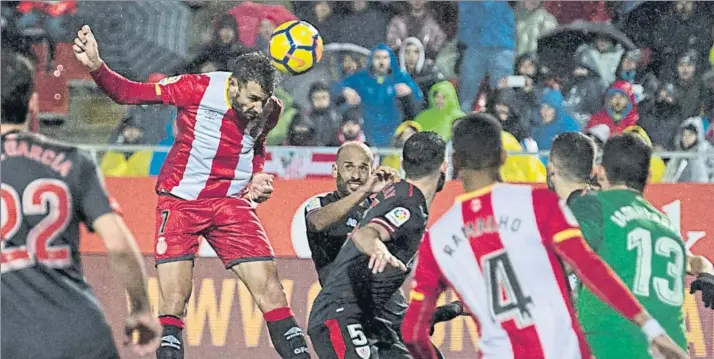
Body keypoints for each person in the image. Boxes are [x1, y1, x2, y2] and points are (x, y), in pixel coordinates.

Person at [72, 25, 311, 359]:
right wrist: (97, 66)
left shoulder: (270, 110)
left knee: (272, 291)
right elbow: (128, 93)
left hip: (231, 205)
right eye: (253, 98)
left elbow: (257, 145)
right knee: (174, 302)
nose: (258, 107)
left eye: (264, 100)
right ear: (233, 84)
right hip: (182, 203)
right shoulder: (195, 88)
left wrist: (257, 175)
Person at [400, 114, 689, 359]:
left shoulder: (439, 235)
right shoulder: (542, 207)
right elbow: (585, 269)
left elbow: (413, 331)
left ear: (454, 161)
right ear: (502, 156)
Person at [1, 50, 160, 358]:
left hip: (10, 340)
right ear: (32, 104)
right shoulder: (74, 161)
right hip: (81, 336)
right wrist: (141, 310)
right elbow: (119, 245)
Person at [304, 142, 462, 358]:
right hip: (346, 310)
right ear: (335, 170)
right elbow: (317, 223)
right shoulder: (321, 204)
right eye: (349, 167)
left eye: (363, 168)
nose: (356, 175)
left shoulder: (381, 207)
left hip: (389, 317)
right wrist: (364, 193)